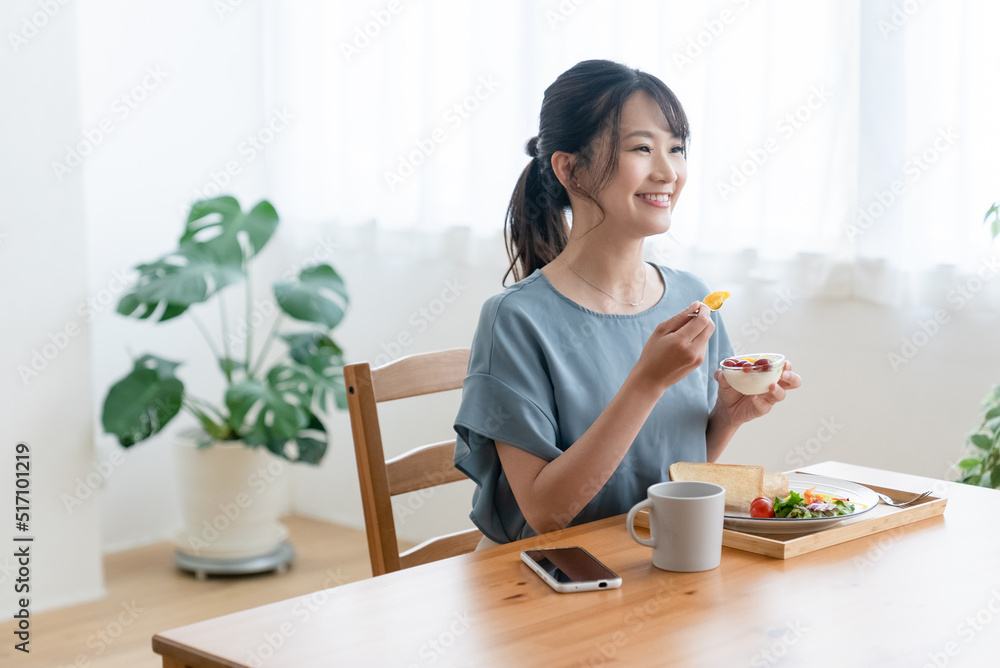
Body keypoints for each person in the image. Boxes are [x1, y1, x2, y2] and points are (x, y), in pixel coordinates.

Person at [453, 60, 801, 548]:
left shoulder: (692, 301)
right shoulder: (514, 319)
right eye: (642, 148)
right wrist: (647, 382)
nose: (668, 172)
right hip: (550, 572)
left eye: (676, 149)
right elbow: (546, 513)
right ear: (570, 169)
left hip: (650, 554)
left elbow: (670, 475)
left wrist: (729, 416)